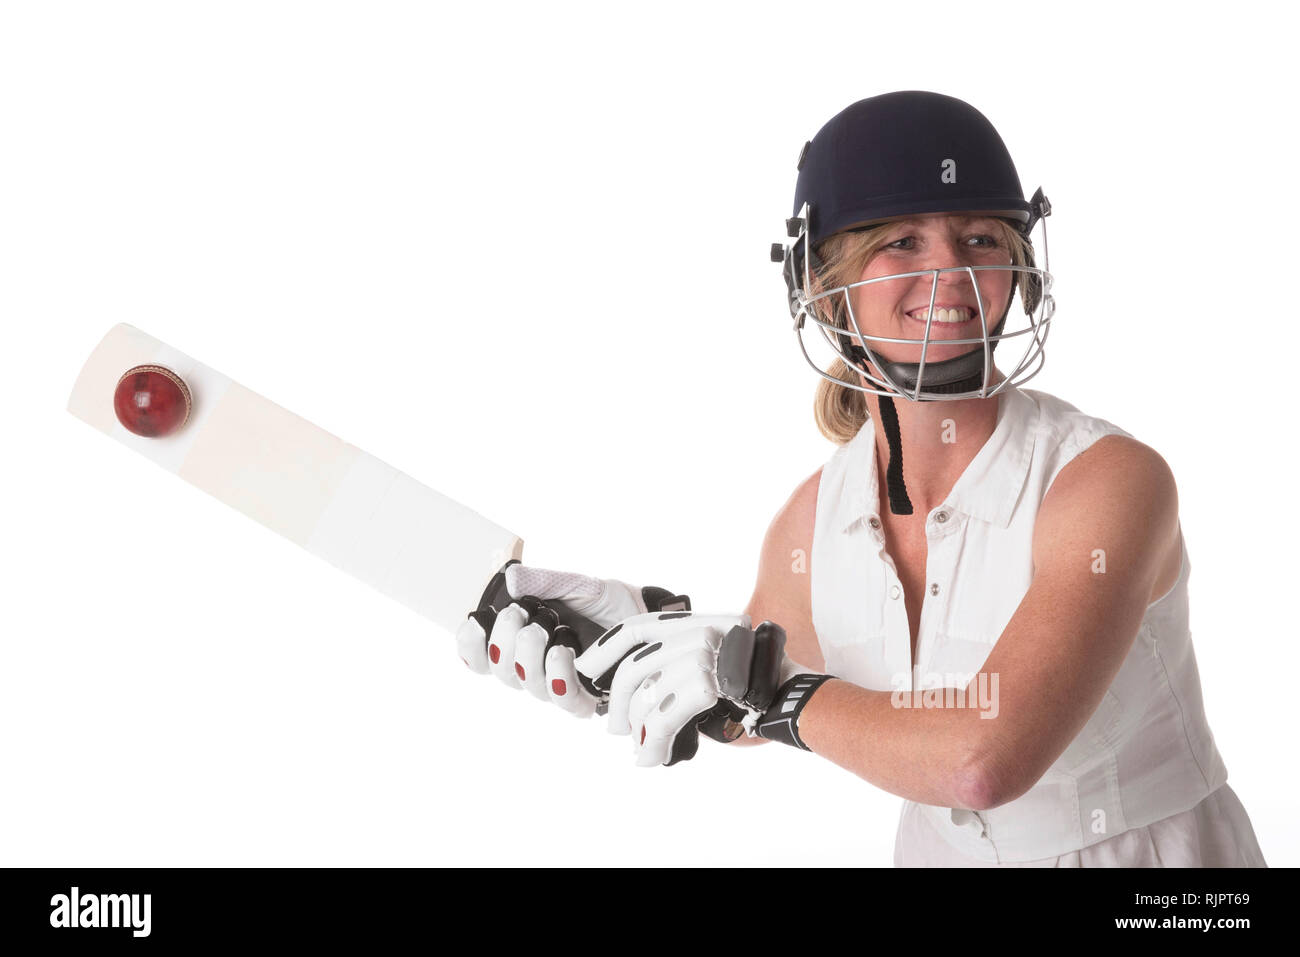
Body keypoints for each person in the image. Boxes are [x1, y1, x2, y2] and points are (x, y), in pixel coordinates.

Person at [456, 91, 1268, 867]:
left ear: (1018, 268)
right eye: (902, 241)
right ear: (827, 287)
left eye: (980, 237)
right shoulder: (812, 521)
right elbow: (744, 700)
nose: (950, 270)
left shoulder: (1109, 482)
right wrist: (631, 639)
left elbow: (981, 755)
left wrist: (755, 682)